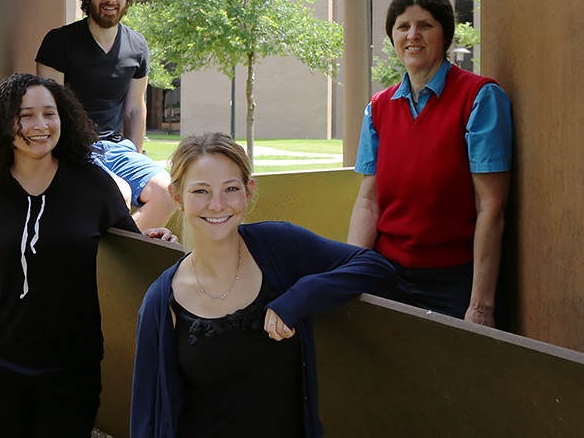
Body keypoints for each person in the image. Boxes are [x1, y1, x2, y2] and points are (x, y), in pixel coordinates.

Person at [0, 73, 175, 437]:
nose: (40, 125)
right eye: (26, 115)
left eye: (49, 114)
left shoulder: (93, 185)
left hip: (73, 371)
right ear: (4, 123)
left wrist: (154, 238)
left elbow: (127, 249)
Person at [130, 132, 395, 437]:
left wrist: (298, 297)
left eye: (230, 188)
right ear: (177, 197)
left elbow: (376, 268)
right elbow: (146, 418)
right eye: (201, 191)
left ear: (248, 190)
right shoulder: (161, 302)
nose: (217, 205)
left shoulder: (281, 246)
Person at [347, 0, 512, 327]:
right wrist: (354, 273)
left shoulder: (480, 98)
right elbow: (368, 202)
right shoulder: (378, 108)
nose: (413, 35)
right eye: (403, 26)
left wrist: (480, 305)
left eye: (425, 25)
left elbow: (491, 207)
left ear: (446, 35)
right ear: (392, 36)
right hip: (387, 273)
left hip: (454, 282)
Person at [36, 0, 174, 231]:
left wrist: (135, 153)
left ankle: (119, 260)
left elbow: (135, 109)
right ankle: (107, 266)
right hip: (75, 149)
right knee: (117, 193)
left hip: (117, 149)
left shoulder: (137, 46)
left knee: (169, 191)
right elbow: (48, 108)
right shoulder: (59, 42)